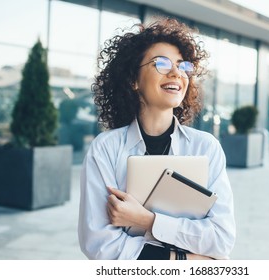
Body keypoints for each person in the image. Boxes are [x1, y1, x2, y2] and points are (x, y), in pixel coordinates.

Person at [78, 18, 236, 260]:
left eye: (183, 66)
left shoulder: (206, 147)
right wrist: (185, 259)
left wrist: (146, 220)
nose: (176, 72)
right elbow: (101, 245)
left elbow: (221, 239)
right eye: (161, 64)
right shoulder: (106, 149)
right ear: (133, 80)